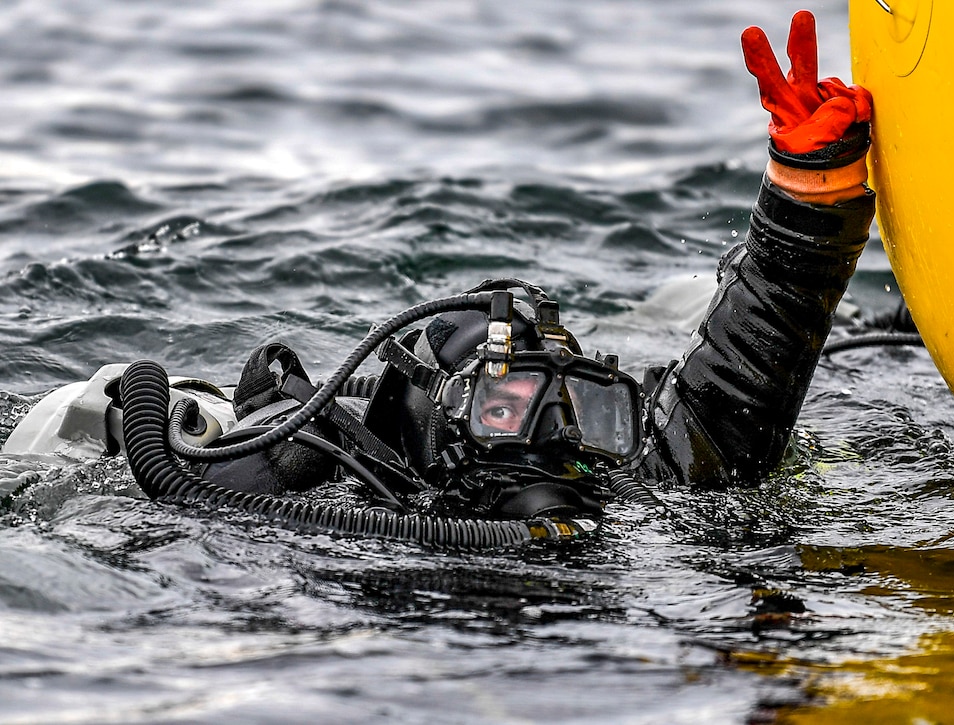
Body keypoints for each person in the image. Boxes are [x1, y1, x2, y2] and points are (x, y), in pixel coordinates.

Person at [4, 11, 877, 531]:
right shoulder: (339, 510)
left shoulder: (619, 483)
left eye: (564, 402)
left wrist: (809, 199)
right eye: (506, 406)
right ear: (435, 441)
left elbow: (726, 406)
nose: (542, 431)